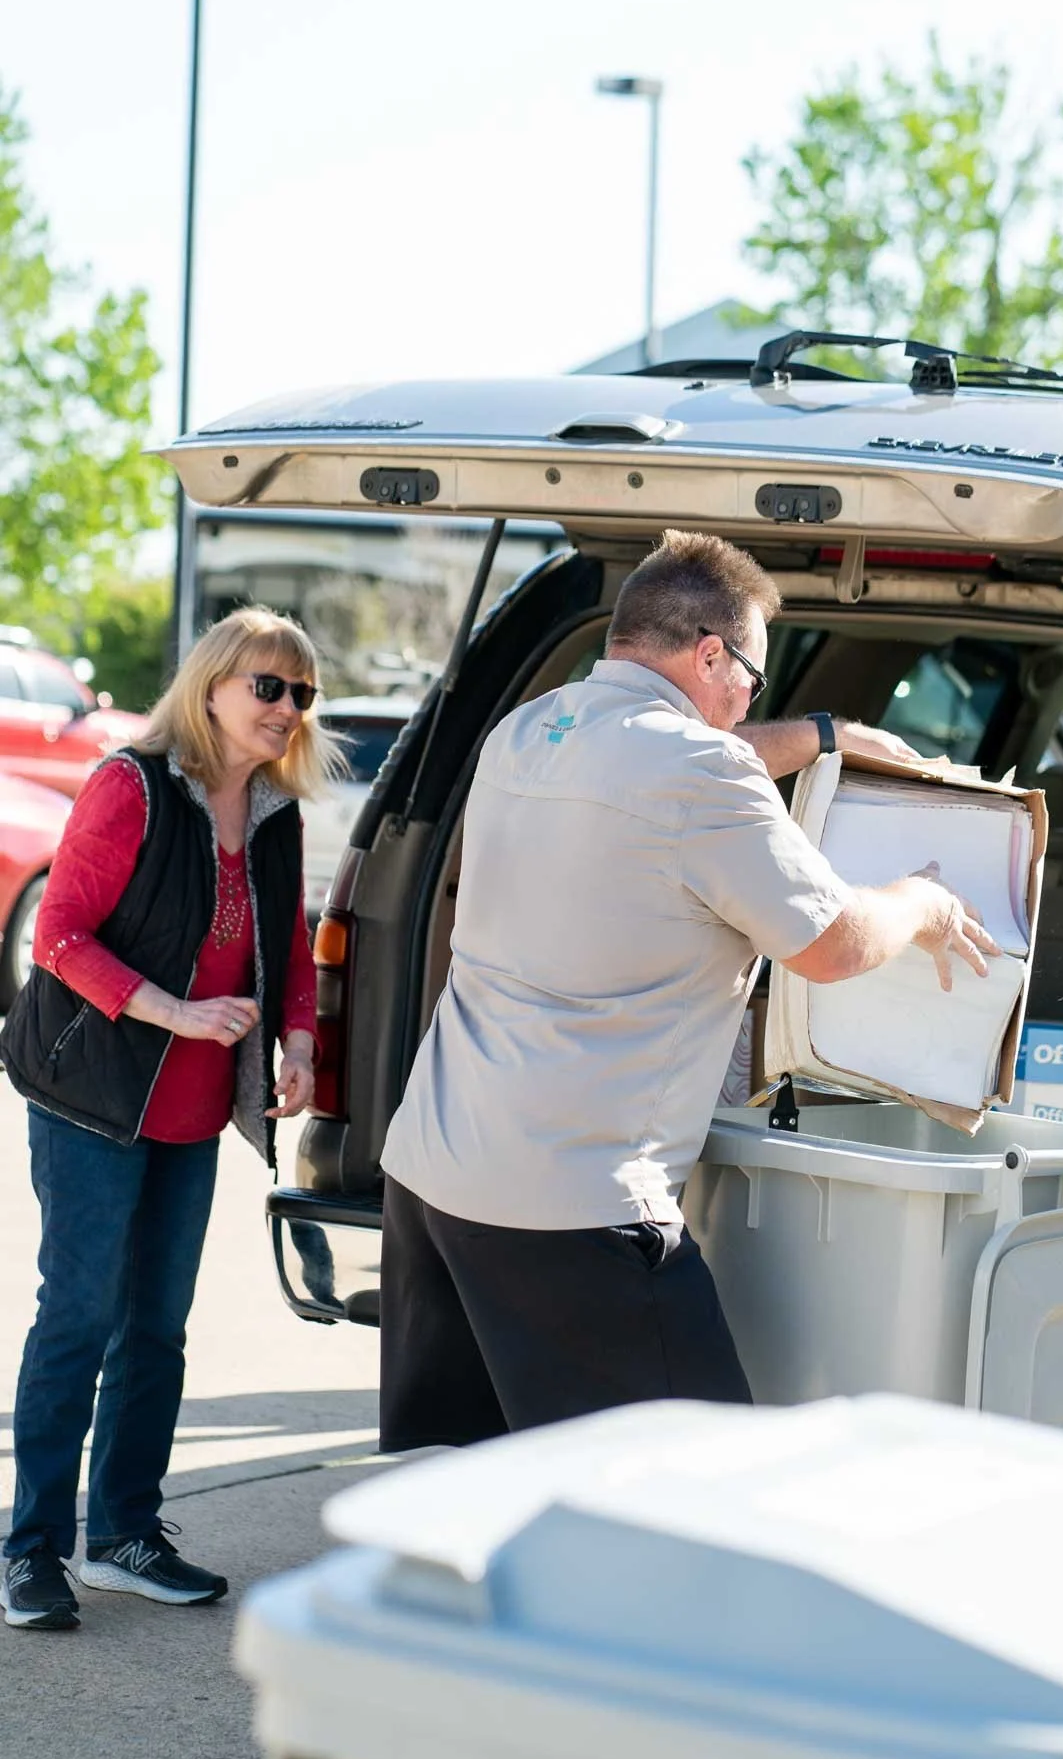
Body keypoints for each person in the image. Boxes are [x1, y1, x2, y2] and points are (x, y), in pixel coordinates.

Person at [378, 530, 997, 1451]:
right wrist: (925, 902)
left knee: (472, 1486)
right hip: (574, 1204)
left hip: (434, 1174)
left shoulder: (529, 731)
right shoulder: (704, 775)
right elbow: (832, 944)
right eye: (750, 674)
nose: (750, 697)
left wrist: (827, 736)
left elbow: (678, 757)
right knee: (690, 1486)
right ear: (710, 653)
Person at [0, 607, 340, 1632]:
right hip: (97, 1093)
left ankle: (127, 1533)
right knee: (80, 1315)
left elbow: (281, 936)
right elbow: (57, 936)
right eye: (268, 687)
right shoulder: (129, 786)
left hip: (191, 1113)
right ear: (213, 685)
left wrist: (297, 1037)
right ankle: (29, 1549)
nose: (287, 708)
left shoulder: (276, 811)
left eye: (301, 693)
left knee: (156, 1327)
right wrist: (180, 1012)